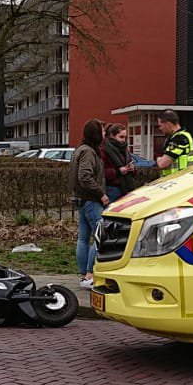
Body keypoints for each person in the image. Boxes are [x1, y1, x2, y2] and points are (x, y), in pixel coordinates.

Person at [70, 118, 108, 290]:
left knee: (83, 238)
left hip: (81, 198)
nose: (105, 134)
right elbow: (85, 177)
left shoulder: (80, 150)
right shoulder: (89, 152)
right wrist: (101, 194)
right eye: (103, 131)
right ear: (96, 134)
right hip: (91, 200)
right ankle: (90, 274)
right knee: (100, 235)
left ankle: (83, 274)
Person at [154, 110, 193, 174]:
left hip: (179, 179)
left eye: (160, 125)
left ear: (168, 124)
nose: (160, 128)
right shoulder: (185, 135)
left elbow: (163, 164)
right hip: (183, 178)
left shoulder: (179, 139)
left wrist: (158, 159)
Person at [100, 122, 134, 202]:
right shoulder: (104, 149)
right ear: (112, 135)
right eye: (121, 137)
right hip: (112, 188)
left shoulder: (124, 149)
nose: (123, 140)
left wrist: (132, 168)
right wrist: (118, 171)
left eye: (125, 137)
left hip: (125, 187)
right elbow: (101, 171)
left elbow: (129, 163)